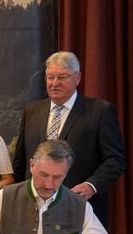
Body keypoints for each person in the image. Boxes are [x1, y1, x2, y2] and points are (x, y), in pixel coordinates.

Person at [12, 51, 126, 224]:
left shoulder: (100, 111)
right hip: (32, 208)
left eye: (62, 77)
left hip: (78, 207)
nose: (55, 83)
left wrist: (91, 186)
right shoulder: (32, 111)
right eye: (50, 77)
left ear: (77, 78)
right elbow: (20, 162)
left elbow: (116, 159)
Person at [0, 139, 115, 234]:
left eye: (57, 177)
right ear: (31, 165)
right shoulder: (5, 197)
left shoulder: (79, 205)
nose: (49, 184)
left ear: (66, 173)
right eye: (43, 175)